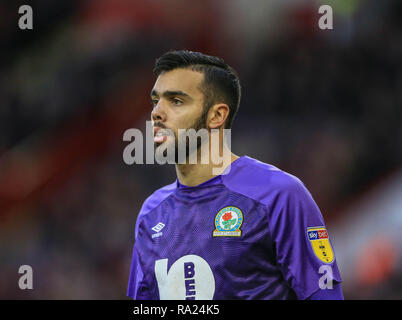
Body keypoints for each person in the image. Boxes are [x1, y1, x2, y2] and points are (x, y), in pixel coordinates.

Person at [127, 50, 343, 300]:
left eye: (176, 101)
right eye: (156, 101)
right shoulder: (151, 213)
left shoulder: (279, 195)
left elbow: (325, 294)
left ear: (217, 115)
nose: (157, 113)